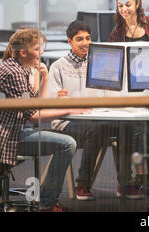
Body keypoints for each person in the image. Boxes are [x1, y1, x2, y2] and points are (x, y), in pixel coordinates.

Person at [0, 28, 88, 212]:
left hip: (10, 130)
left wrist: (45, 77)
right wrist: (69, 109)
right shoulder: (14, 73)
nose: (42, 52)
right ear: (23, 52)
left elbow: (34, 105)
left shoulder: (17, 67)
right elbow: (33, 118)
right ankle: (47, 202)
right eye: (38, 49)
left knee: (60, 137)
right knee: (67, 143)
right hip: (6, 137)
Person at [108, 0, 149, 199]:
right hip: (128, 90)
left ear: (138, 4)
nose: (124, 9)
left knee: (142, 127)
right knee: (132, 128)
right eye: (120, 6)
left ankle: (145, 176)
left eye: (128, 5)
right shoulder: (118, 31)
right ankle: (137, 177)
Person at [47, 20, 115, 200]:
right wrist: (66, 101)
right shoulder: (58, 66)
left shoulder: (98, 63)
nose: (85, 43)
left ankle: (128, 184)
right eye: (79, 39)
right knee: (96, 129)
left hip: (96, 118)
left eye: (88, 38)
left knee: (129, 128)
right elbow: (52, 101)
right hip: (66, 122)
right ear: (70, 41)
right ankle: (83, 183)